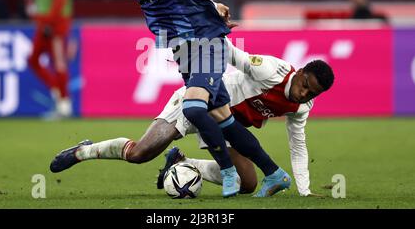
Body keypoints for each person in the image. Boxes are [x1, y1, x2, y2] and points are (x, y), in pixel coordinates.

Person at [85, 0, 269, 198]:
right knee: (219, 116)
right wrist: (214, 6)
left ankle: (228, 171)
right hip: (182, 49)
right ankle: (275, 172)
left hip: (202, 42)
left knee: (194, 108)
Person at [50, 38, 335, 197]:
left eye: (312, 93)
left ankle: (182, 163)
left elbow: (298, 147)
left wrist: (306, 191)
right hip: (199, 100)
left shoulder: (301, 108)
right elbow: (234, 55)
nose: (303, 94)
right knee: (139, 154)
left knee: (247, 184)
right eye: (304, 85)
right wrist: (214, 28)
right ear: (299, 72)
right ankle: (82, 151)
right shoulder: (272, 70)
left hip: (228, 126)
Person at [28, 0, 74, 118]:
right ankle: (57, 91)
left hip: (56, 23)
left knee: (59, 62)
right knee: (33, 60)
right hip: (43, 22)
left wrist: (50, 21)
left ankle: (64, 104)